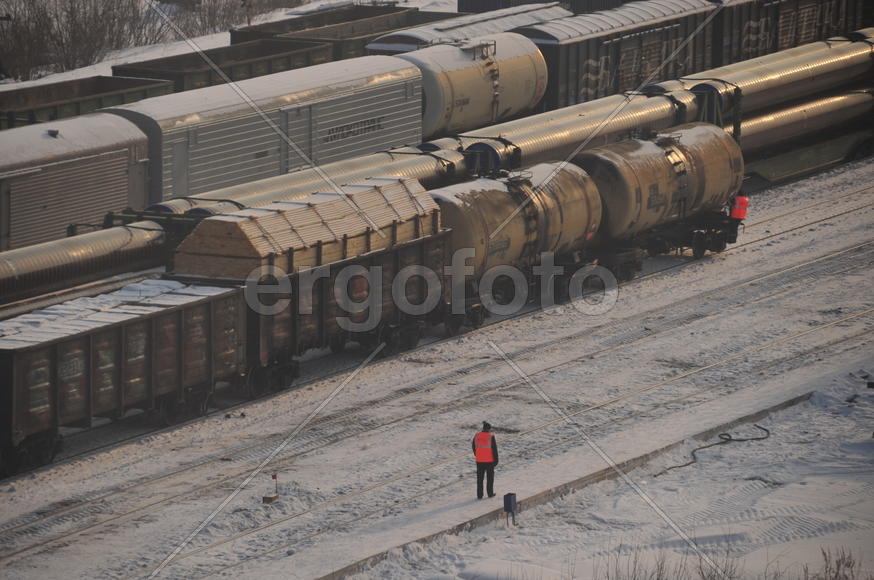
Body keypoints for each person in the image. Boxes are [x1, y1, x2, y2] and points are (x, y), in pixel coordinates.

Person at [472, 421, 498, 499]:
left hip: (479, 461)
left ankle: (479, 495)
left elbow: (473, 447)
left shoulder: (477, 435)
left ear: (483, 428)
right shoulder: (491, 436)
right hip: (489, 461)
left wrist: (477, 455)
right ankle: (490, 493)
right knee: (490, 478)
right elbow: (494, 450)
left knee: (480, 479)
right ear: (489, 429)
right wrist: (496, 460)